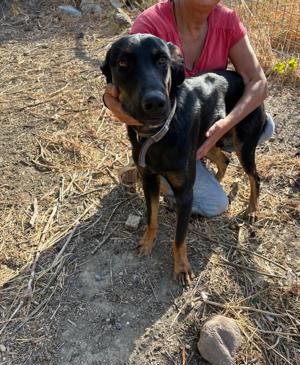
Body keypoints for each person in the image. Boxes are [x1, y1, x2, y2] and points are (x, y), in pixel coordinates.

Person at [103, 0, 274, 217]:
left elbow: (258, 83)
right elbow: (117, 83)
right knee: (214, 205)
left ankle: (213, 158)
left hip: (201, 123)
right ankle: (146, 166)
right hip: (162, 134)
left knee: (266, 126)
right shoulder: (151, 25)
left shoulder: (227, 21)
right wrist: (110, 101)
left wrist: (224, 125)